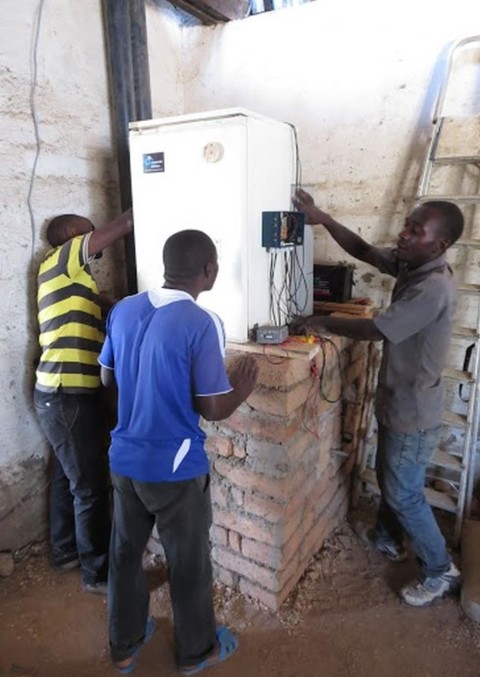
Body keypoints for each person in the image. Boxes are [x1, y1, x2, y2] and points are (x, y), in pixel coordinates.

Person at [292, 188, 464, 607]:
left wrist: (317, 320)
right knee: (394, 477)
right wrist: (324, 219)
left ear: (439, 244)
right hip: (399, 400)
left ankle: (440, 570)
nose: (403, 235)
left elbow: (376, 329)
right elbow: (366, 250)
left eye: (415, 230)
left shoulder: (432, 288)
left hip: (412, 409)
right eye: (407, 225)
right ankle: (388, 537)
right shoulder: (415, 265)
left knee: (403, 490)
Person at [98, 229, 258, 674]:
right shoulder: (201, 322)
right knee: (188, 563)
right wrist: (241, 388)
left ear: (166, 265)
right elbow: (212, 407)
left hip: (123, 460)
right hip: (174, 468)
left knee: (126, 553)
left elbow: (108, 381)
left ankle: (124, 645)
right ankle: (195, 651)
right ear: (209, 271)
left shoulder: (125, 309)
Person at [34, 208, 133, 594]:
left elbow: (107, 304)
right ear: (71, 233)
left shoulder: (77, 280)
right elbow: (123, 225)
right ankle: (99, 574)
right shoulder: (60, 259)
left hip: (61, 395)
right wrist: (153, 195)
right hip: (66, 395)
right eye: (87, 228)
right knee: (90, 488)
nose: (94, 234)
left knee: (67, 476)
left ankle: (64, 553)